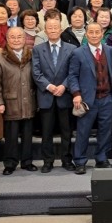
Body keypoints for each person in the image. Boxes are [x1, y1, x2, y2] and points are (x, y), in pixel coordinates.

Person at [68, 22, 112, 174]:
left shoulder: (110, 51)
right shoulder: (78, 53)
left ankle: (101, 158)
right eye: (91, 32)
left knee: (105, 130)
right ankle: (80, 161)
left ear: (102, 34)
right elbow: (72, 76)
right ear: (86, 34)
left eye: (97, 32)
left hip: (107, 98)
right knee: (83, 131)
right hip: (87, 99)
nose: (94, 35)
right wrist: (76, 94)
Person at [0, 27, 38, 174]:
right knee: (11, 136)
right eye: (12, 37)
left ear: (24, 39)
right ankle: (10, 163)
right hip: (10, 102)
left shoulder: (32, 54)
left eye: (19, 37)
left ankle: (27, 161)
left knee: (28, 135)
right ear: (7, 39)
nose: (16, 40)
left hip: (29, 100)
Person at [32, 18, 76, 173]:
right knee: (46, 132)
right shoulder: (38, 49)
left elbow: (73, 71)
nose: (52, 30)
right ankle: (48, 161)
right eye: (49, 28)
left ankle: (67, 159)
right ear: (45, 30)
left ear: (61, 30)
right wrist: (50, 87)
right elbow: (36, 72)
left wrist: (64, 85)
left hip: (65, 95)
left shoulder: (71, 48)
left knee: (66, 132)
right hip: (46, 96)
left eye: (55, 27)